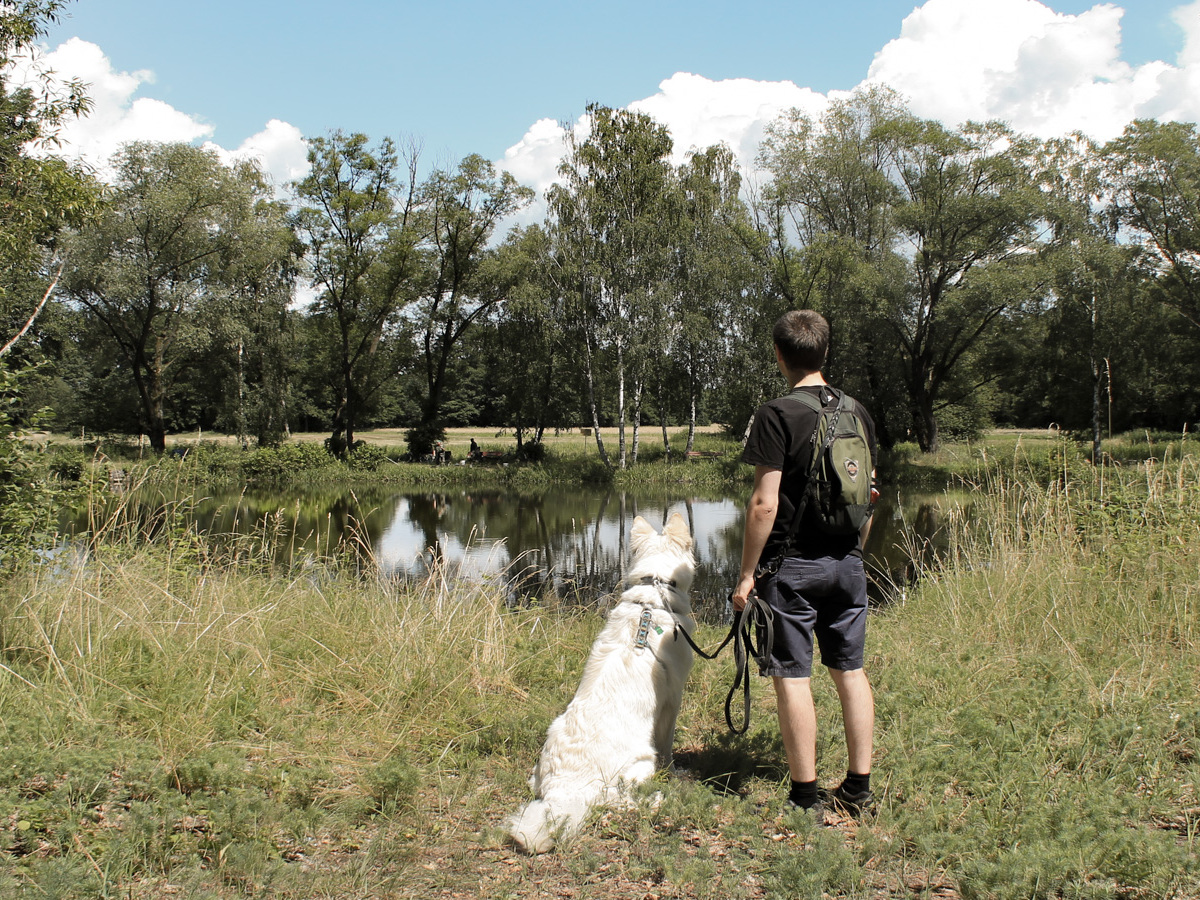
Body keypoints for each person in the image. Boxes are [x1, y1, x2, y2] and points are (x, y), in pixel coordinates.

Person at [731, 309, 878, 824]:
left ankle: (805, 796)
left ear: (779, 355)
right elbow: (868, 494)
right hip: (848, 564)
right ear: (825, 351)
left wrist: (747, 575)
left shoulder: (776, 413)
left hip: (790, 569)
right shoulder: (858, 412)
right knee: (850, 671)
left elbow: (763, 504)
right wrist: (856, 553)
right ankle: (859, 788)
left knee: (793, 679)